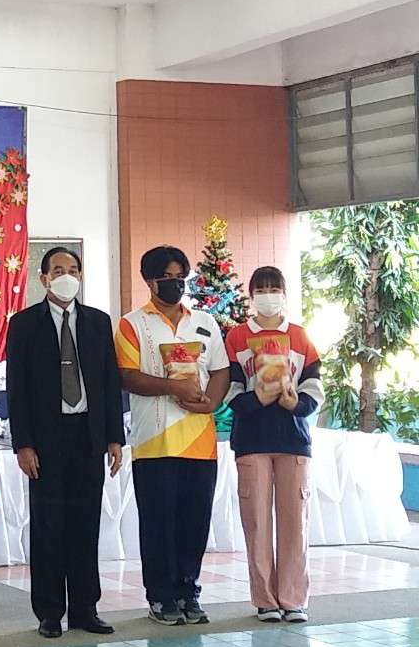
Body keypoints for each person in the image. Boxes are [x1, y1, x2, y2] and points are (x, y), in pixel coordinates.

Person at [7, 247, 124, 638]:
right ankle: (49, 612)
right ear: (44, 279)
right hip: (45, 440)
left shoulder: (97, 322)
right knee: (48, 526)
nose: (66, 276)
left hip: (88, 436)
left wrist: (114, 437)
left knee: (85, 524)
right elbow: (17, 389)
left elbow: (109, 383)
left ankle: (85, 609)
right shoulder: (24, 324)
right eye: (58, 270)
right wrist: (23, 443)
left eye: (73, 269)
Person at [115, 246, 229, 626]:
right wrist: (172, 387)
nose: (176, 283)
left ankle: (188, 591)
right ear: (150, 281)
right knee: (158, 523)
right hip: (154, 443)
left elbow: (220, 370)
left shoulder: (205, 322)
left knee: (194, 522)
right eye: (167, 277)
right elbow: (127, 376)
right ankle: (161, 596)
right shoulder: (132, 324)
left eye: (181, 277)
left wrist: (211, 401)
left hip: (200, 442)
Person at [224, 266, 324, 624]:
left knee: (295, 522)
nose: (268, 295)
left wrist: (295, 404)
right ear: (252, 296)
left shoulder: (299, 336)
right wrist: (258, 399)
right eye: (261, 289)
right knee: (256, 521)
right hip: (251, 439)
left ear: (284, 293)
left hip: (293, 439)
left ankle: (293, 599)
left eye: (274, 288)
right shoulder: (237, 337)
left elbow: (315, 388)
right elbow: (231, 391)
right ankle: (265, 600)